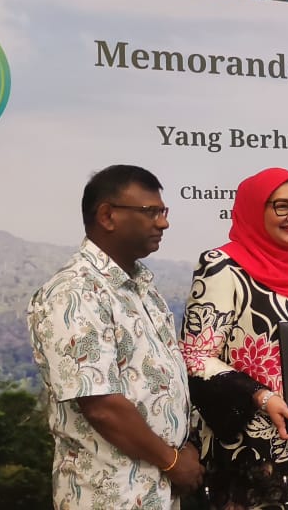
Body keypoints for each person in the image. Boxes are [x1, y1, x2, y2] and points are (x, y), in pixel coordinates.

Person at [180, 168, 288, 509]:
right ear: (254, 209)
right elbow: (195, 356)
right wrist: (261, 396)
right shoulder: (223, 267)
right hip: (249, 441)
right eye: (281, 206)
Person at [27, 164, 202, 508]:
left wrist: (183, 447)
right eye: (150, 212)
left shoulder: (141, 286)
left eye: (163, 212)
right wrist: (172, 461)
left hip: (157, 491)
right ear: (107, 216)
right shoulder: (74, 292)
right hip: (110, 495)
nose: (163, 223)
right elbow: (101, 406)